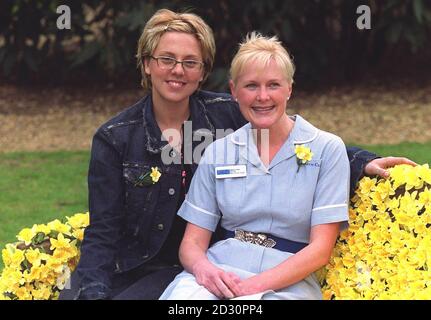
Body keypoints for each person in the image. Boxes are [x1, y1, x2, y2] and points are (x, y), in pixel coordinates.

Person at [59, 9, 415, 300]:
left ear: (202, 72)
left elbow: (295, 135)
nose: (178, 70)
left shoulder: (224, 113)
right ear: (147, 63)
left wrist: (359, 161)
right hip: (146, 262)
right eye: (166, 59)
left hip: (201, 263)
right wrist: (92, 290)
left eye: (191, 62)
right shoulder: (116, 138)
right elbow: (103, 229)